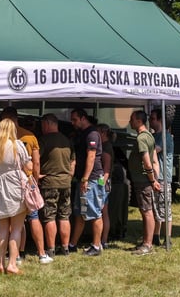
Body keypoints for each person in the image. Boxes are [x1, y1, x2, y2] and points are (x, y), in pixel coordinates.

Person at [1, 107, 52, 265]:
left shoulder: (0, 138)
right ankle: (42, 254)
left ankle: (15, 256)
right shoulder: (30, 136)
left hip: (9, 184)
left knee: (12, 220)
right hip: (27, 181)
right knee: (33, 217)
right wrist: (34, 180)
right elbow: (36, 163)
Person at [0, 119, 30, 275]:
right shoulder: (17, 145)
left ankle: (1, 263)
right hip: (15, 186)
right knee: (16, 228)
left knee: (2, 227)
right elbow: (28, 165)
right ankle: (12, 264)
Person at [37, 113, 75, 257]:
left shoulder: (43, 140)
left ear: (47, 124)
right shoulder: (66, 140)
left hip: (49, 183)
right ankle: (65, 248)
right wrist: (69, 175)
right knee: (64, 215)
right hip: (66, 183)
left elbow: (36, 160)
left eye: (42, 125)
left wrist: (36, 176)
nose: (42, 128)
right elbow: (73, 161)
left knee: (49, 216)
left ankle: (51, 249)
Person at [68, 108, 104, 256]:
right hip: (84, 179)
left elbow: (91, 156)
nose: (72, 123)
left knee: (95, 213)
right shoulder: (83, 133)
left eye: (75, 119)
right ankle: (72, 244)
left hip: (92, 180)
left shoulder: (92, 134)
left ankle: (96, 246)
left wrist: (85, 178)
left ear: (83, 118)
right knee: (80, 213)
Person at [127, 109, 161, 256]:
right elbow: (154, 160)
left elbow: (147, 162)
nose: (130, 122)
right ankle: (146, 243)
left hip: (143, 181)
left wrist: (152, 180)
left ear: (139, 121)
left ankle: (147, 244)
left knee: (147, 212)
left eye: (132, 119)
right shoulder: (149, 136)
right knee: (147, 211)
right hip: (144, 180)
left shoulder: (141, 138)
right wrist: (154, 178)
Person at [150, 107, 174, 249]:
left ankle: (168, 239)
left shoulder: (166, 137)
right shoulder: (154, 136)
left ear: (160, 120)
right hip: (155, 177)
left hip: (163, 178)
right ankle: (156, 236)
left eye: (153, 118)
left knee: (165, 209)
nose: (150, 121)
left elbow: (154, 151)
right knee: (156, 209)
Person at [97, 124, 113, 248]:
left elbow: (106, 170)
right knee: (104, 213)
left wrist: (100, 185)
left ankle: (102, 240)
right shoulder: (106, 146)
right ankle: (103, 240)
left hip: (104, 184)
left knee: (102, 213)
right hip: (105, 184)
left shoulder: (106, 147)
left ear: (103, 133)